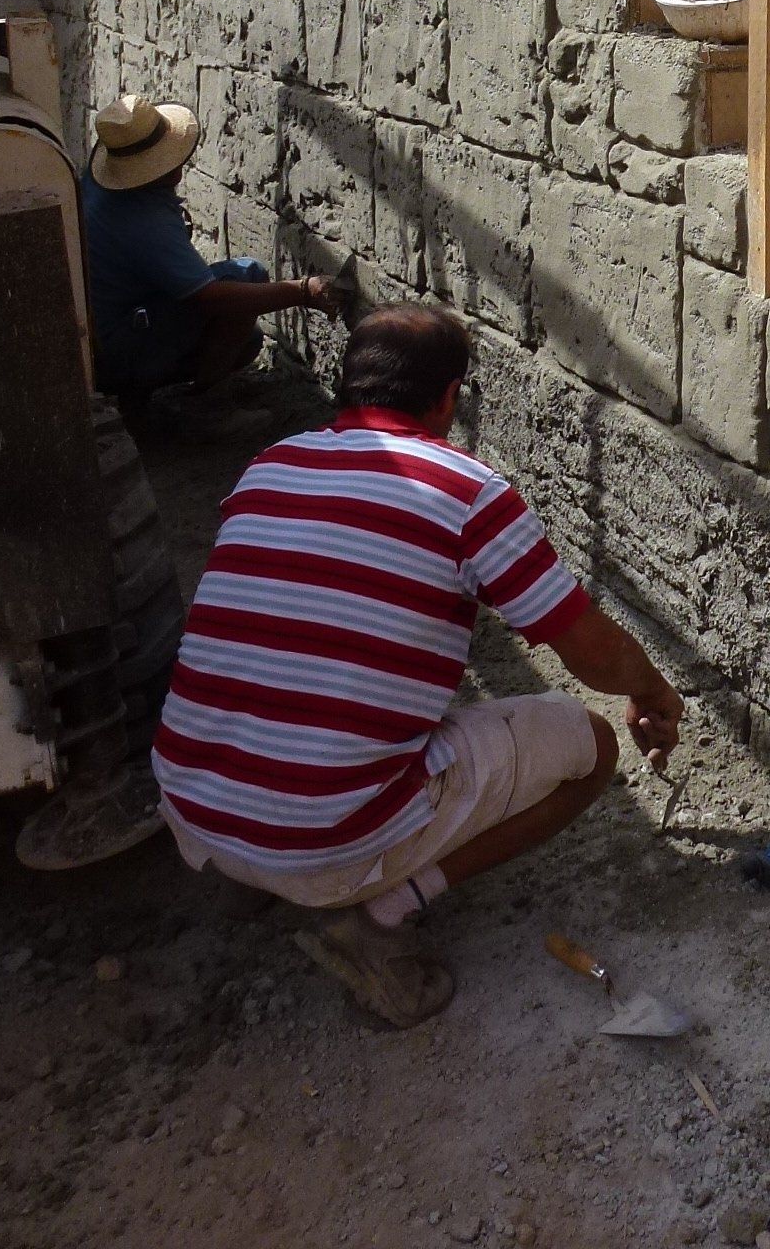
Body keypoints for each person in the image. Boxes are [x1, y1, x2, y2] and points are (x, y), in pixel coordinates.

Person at [151, 303, 684, 1029]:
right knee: (589, 750)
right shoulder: (467, 493)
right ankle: (378, 916)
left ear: (350, 387)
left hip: (190, 809)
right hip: (318, 839)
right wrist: (651, 689)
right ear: (450, 396)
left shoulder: (269, 467)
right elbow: (589, 649)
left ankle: (264, 870)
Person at [80, 92, 337, 433]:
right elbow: (211, 297)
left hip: (101, 334)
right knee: (247, 279)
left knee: (247, 342)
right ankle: (205, 408)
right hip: (117, 351)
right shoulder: (141, 219)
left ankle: (136, 402)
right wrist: (303, 291)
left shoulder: (104, 187)